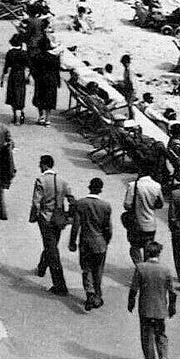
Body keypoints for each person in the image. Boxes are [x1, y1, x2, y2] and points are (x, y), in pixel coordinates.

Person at [29, 154, 74, 296]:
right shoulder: (62, 180)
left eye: (40, 164)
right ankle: (42, 268)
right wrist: (69, 215)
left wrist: (33, 217)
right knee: (52, 243)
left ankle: (60, 285)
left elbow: (36, 202)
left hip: (46, 218)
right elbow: (72, 199)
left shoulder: (41, 180)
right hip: (59, 218)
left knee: (51, 248)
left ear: (44, 165)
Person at [69, 177, 113, 311]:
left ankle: (90, 293)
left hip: (85, 242)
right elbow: (108, 228)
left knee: (86, 269)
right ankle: (98, 296)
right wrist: (106, 241)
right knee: (98, 270)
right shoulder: (105, 206)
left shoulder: (81, 203)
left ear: (89, 187)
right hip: (100, 243)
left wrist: (72, 242)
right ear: (100, 190)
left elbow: (76, 225)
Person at [127, 241, 177, 359]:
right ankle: (163, 356)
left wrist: (131, 302)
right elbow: (172, 292)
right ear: (159, 253)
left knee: (147, 337)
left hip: (145, 310)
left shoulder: (141, 268)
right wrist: (171, 307)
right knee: (161, 335)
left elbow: (134, 288)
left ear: (147, 253)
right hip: (160, 310)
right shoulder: (166, 270)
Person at [124, 170, 165, 265]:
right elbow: (160, 204)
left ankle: (140, 268)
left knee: (134, 247)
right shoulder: (157, 186)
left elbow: (127, 205)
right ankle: (147, 270)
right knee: (149, 248)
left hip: (136, 224)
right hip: (150, 223)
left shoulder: (133, 185)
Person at [30, 39, 62, 126]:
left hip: (40, 80)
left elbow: (33, 69)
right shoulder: (54, 58)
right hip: (51, 80)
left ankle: (41, 117)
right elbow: (57, 71)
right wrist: (58, 82)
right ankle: (48, 120)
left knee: (40, 98)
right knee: (49, 99)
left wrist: (35, 77)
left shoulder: (37, 57)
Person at [1, 35, 29, 125]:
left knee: (12, 95)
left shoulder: (10, 53)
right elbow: (29, 66)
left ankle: (15, 117)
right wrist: (28, 76)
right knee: (20, 94)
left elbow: (6, 67)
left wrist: (2, 79)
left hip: (13, 75)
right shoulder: (24, 53)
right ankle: (21, 112)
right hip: (21, 75)